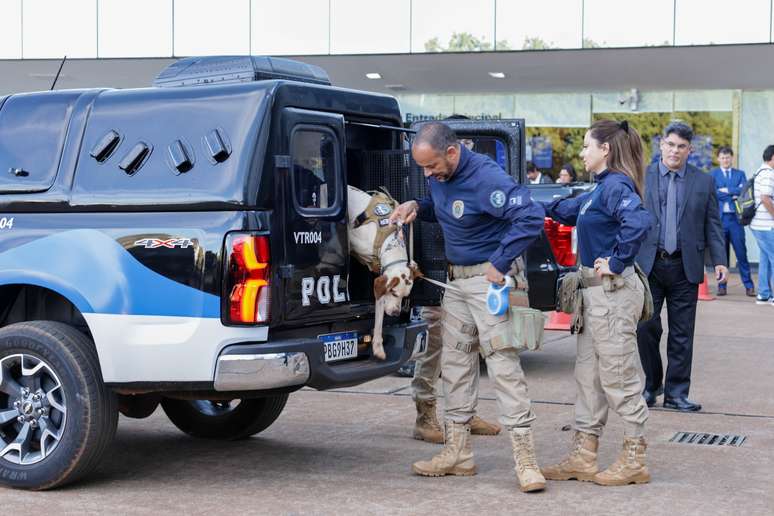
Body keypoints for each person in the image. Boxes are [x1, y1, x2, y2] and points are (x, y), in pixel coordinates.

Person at [390, 122, 547, 492]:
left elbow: (531, 216)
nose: (428, 174)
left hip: (486, 282)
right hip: (455, 283)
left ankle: (526, 460)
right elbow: (449, 209)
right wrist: (418, 205)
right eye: (423, 169)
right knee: (456, 364)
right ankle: (458, 452)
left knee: (503, 363)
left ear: (452, 152)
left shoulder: (486, 178)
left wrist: (502, 261)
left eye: (431, 167)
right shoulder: (441, 175)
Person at [540, 120, 652, 486]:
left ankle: (635, 459)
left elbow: (637, 221)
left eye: (587, 146)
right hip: (594, 299)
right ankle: (583, 457)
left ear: (605, 149)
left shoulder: (616, 184)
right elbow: (569, 210)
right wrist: (522, 197)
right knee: (588, 379)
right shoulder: (598, 189)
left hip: (612, 296)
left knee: (618, 377)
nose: (582, 153)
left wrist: (617, 261)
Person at [636, 122, 728, 412]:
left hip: (685, 266)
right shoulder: (642, 177)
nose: (675, 151)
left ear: (689, 150)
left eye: (682, 146)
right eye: (671, 144)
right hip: (648, 265)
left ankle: (677, 393)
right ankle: (652, 384)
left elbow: (712, 222)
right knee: (645, 327)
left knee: (682, 333)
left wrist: (721, 260)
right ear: (662, 144)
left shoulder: (703, 181)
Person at [411, 306, 502, 443]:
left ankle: (464, 416)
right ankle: (424, 419)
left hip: (463, 288)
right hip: (437, 293)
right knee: (433, 341)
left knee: (467, 341)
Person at [710, 147, 755, 296]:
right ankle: (722, 286)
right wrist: (732, 191)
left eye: (728, 157)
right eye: (722, 158)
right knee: (721, 255)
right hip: (720, 220)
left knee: (741, 253)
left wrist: (725, 190)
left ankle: (749, 285)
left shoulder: (739, 174)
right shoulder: (713, 174)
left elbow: (743, 191)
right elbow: (714, 193)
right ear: (718, 159)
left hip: (736, 220)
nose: (725, 160)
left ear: (731, 158)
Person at [750, 145, 774, 305]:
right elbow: (765, 198)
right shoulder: (769, 174)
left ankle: (763, 294)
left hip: (758, 224)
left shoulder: (760, 171)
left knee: (765, 258)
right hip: (766, 224)